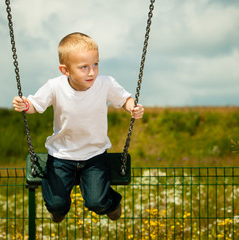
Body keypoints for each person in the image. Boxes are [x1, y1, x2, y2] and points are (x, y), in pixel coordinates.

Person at [12, 32, 144, 223]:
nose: (91, 72)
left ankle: (112, 203)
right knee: (56, 204)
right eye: (84, 67)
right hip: (61, 156)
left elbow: (124, 99)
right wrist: (24, 105)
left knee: (97, 202)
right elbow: (34, 105)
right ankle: (58, 209)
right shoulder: (54, 86)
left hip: (94, 155)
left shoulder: (105, 84)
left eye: (95, 64)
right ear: (65, 70)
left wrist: (133, 108)